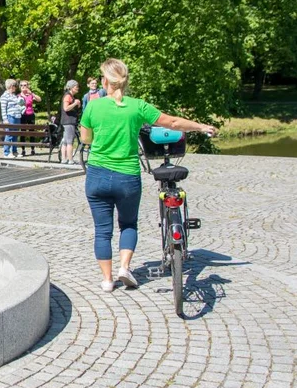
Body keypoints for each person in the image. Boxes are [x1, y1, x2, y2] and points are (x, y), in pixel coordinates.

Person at [80, 58, 216, 292]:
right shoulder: (137, 106)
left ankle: (107, 280)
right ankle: (124, 267)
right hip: (127, 177)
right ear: (125, 81)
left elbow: (85, 139)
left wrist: (100, 138)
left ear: (104, 81)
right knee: (128, 224)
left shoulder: (93, 106)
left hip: (97, 176)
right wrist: (202, 127)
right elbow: (172, 122)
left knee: (102, 231)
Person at [0, 79, 26, 158]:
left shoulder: (14, 96)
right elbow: (3, 109)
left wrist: (22, 103)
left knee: (15, 135)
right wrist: (5, 119)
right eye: (15, 86)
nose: (16, 87)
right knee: (9, 134)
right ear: (11, 86)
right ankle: (6, 152)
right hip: (10, 117)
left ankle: (15, 152)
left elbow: (20, 105)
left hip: (17, 117)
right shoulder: (4, 96)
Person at [60, 80, 81, 164]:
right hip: (68, 122)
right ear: (71, 88)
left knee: (65, 141)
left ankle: (64, 159)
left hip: (67, 122)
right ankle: (70, 160)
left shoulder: (70, 96)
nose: (78, 88)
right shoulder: (68, 96)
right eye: (76, 87)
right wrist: (75, 103)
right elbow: (66, 108)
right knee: (69, 141)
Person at [19, 80, 42, 155]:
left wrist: (31, 93)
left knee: (32, 132)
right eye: (21, 85)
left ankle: (32, 149)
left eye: (25, 85)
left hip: (30, 114)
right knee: (23, 132)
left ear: (28, 86)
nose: (23, 87)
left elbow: (39, 99)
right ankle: (23, 150)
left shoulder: (30, 95)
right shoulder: (18, 96)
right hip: (23, 115)